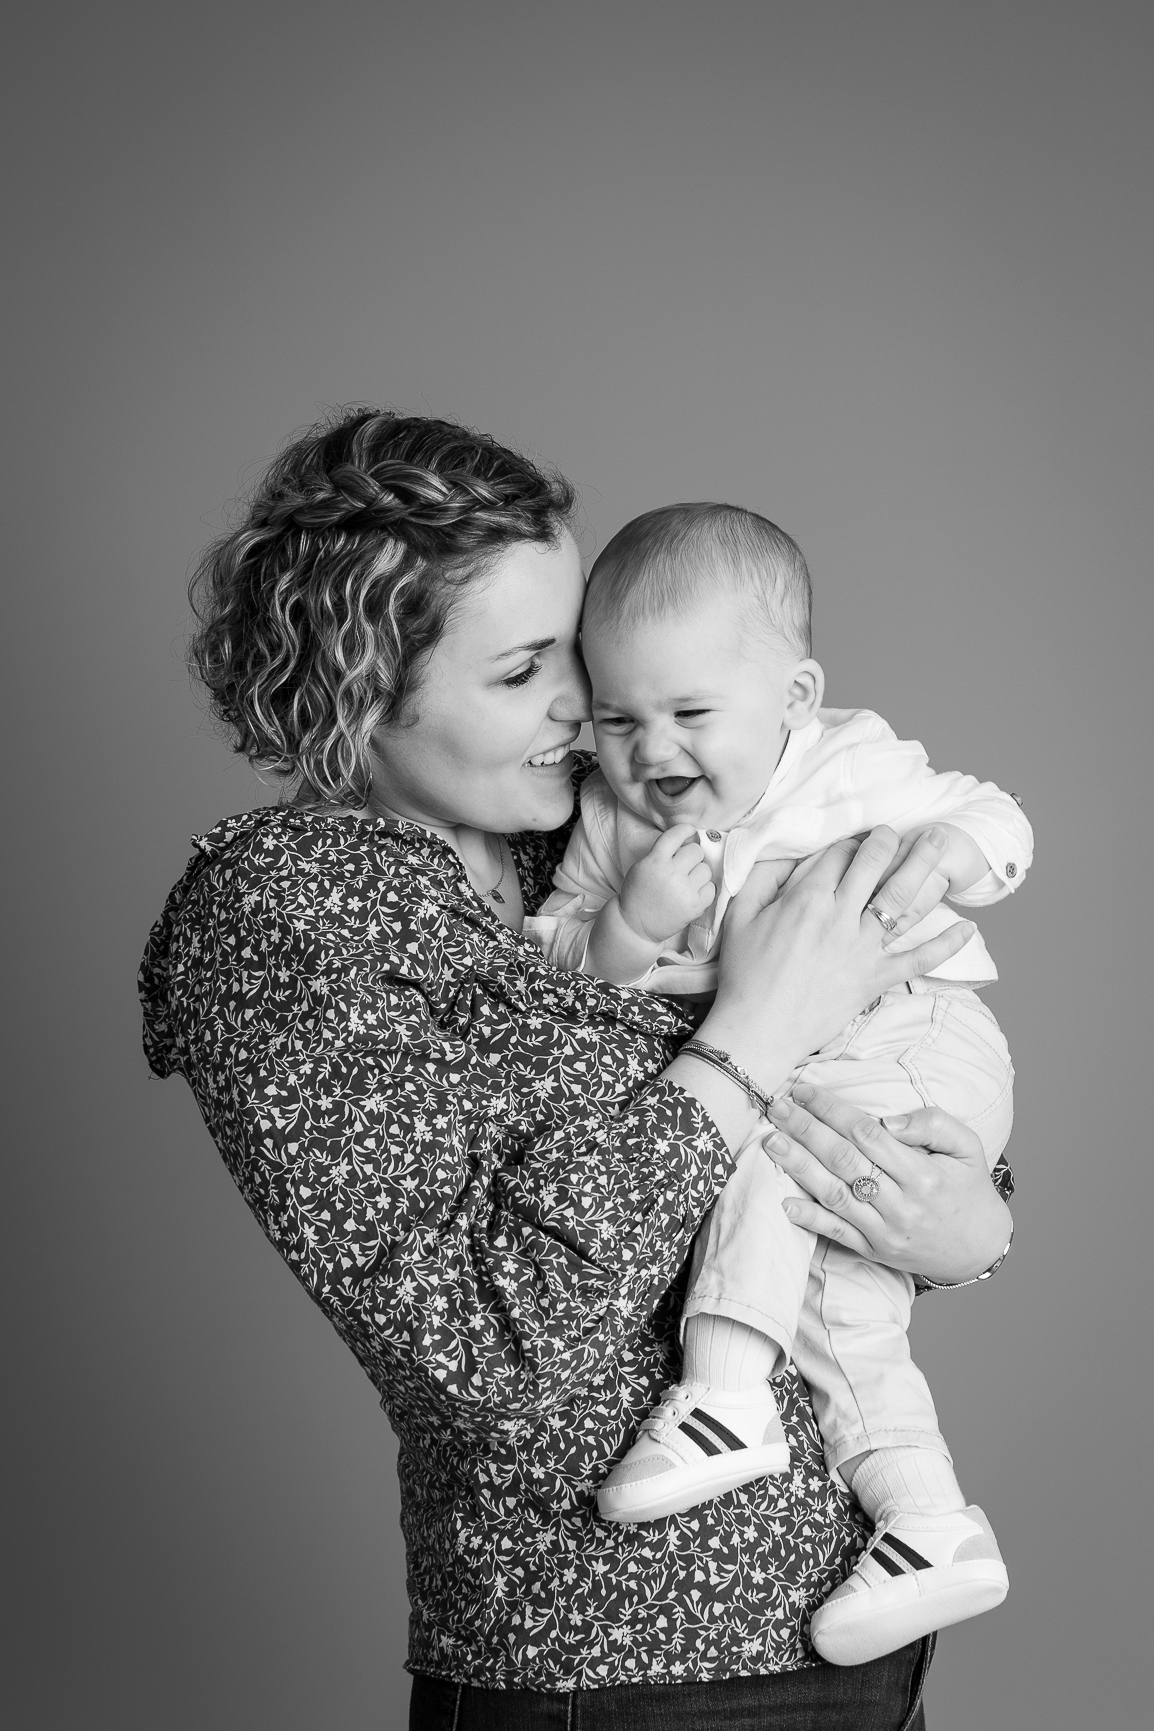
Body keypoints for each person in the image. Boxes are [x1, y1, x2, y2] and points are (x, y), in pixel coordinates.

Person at [140, 408, 1015, 1729]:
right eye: (520, 672)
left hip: (854, 1600)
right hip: (602, 1658)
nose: (584, 707)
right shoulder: (288, 911)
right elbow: (470, 1342)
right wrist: (750, 1037)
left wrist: (967, 1220)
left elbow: (871, 1063)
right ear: (358, 691)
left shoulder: (595, 833)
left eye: (577, 651)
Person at [524, 503, 1029, 1665]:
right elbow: (552, 954)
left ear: (792, 700)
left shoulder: (848, 764)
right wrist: (624, 929)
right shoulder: (611, 821)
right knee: (842, 1306)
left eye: (691, 713)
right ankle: (926, 1522)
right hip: (801, 1057)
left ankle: (722, 1397)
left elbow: (990, 816)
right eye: (617, 718)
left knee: (761, 1131)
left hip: (917, 1031)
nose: (653, 752)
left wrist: (952, 856)